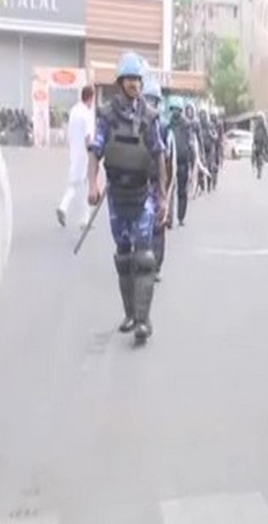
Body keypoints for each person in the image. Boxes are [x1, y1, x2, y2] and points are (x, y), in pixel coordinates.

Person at [87, 51, 168, 347]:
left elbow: (159, 155)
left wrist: (162, 195)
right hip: (116, 197)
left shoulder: (150, 117)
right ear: (120, 82)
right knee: (123, 257)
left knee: (144, 258)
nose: (134, 84)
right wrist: (91, 185)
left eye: (137, 79)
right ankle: (130, 314)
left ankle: (144, 321)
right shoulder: (107, 115)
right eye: (129, 79)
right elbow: (95, 151)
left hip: (142, 194)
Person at [57, 85, 96, 229]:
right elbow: (88, 137)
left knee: (79, 185)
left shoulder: (74, 110)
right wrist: (93, 153)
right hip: (84, 155)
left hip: (74, 152)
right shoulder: (86, 113)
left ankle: (83, 218)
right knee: (81, 185)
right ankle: (66, 209)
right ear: (91, 97)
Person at [141, 79, 170, 281]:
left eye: (154, 101)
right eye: (148, 100)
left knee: (158, 225)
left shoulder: (164, 127)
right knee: (140, 225)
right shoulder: (134, 122)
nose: (151, 104)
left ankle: (155, 266)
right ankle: (142, 263)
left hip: (156, 182)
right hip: (137, 183)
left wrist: (165, 190)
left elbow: (168, 158)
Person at [167, 95, 197, 227]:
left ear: (180, 110)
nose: (175, 112)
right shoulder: (167, 124)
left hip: (183, 162)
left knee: (181, 191)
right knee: (169, 189)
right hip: (169, 162)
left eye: (177, 109)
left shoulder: (186, 124)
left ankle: (180, 217)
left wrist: (192, 162)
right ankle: (168, 217)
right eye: (173, 109)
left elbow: (191, 143)